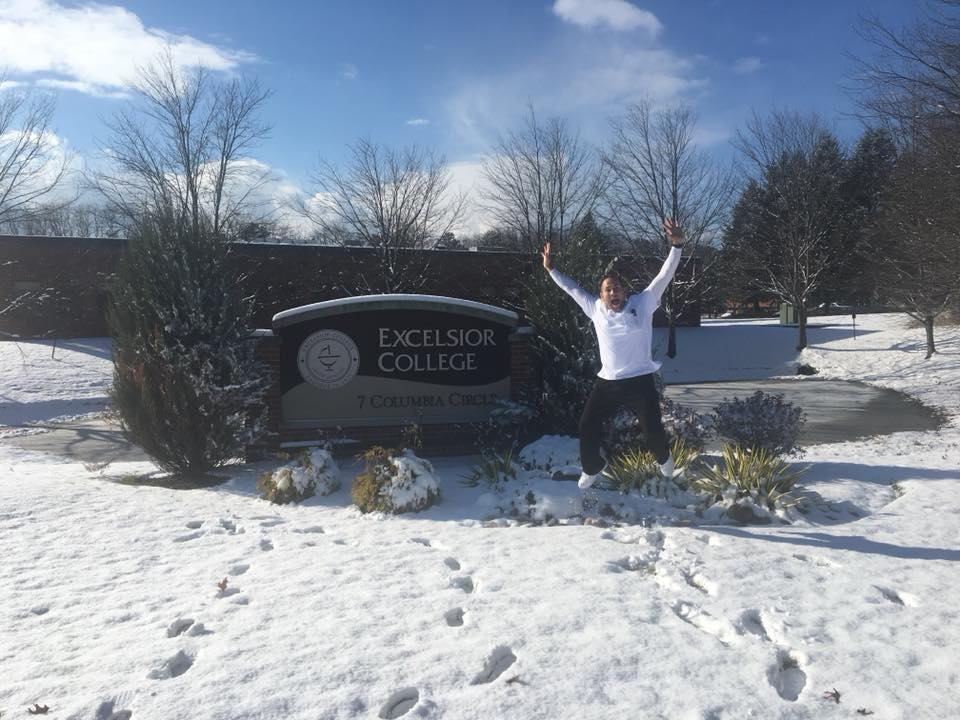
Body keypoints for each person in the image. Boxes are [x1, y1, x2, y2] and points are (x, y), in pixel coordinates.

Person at [541, 219, 685, 489]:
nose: (612, 292)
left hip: (640, 380)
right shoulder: (595, 309)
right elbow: (571, 288)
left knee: (653, 431)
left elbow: (664, 275)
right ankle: (593, 466)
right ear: (601, 295)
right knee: (587, 424)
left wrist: (676, 246)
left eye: (616, 288)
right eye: (607, 289)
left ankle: (664, 458)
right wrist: (551, 269)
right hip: (607, 383)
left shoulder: (643, 303)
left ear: (625, 292)